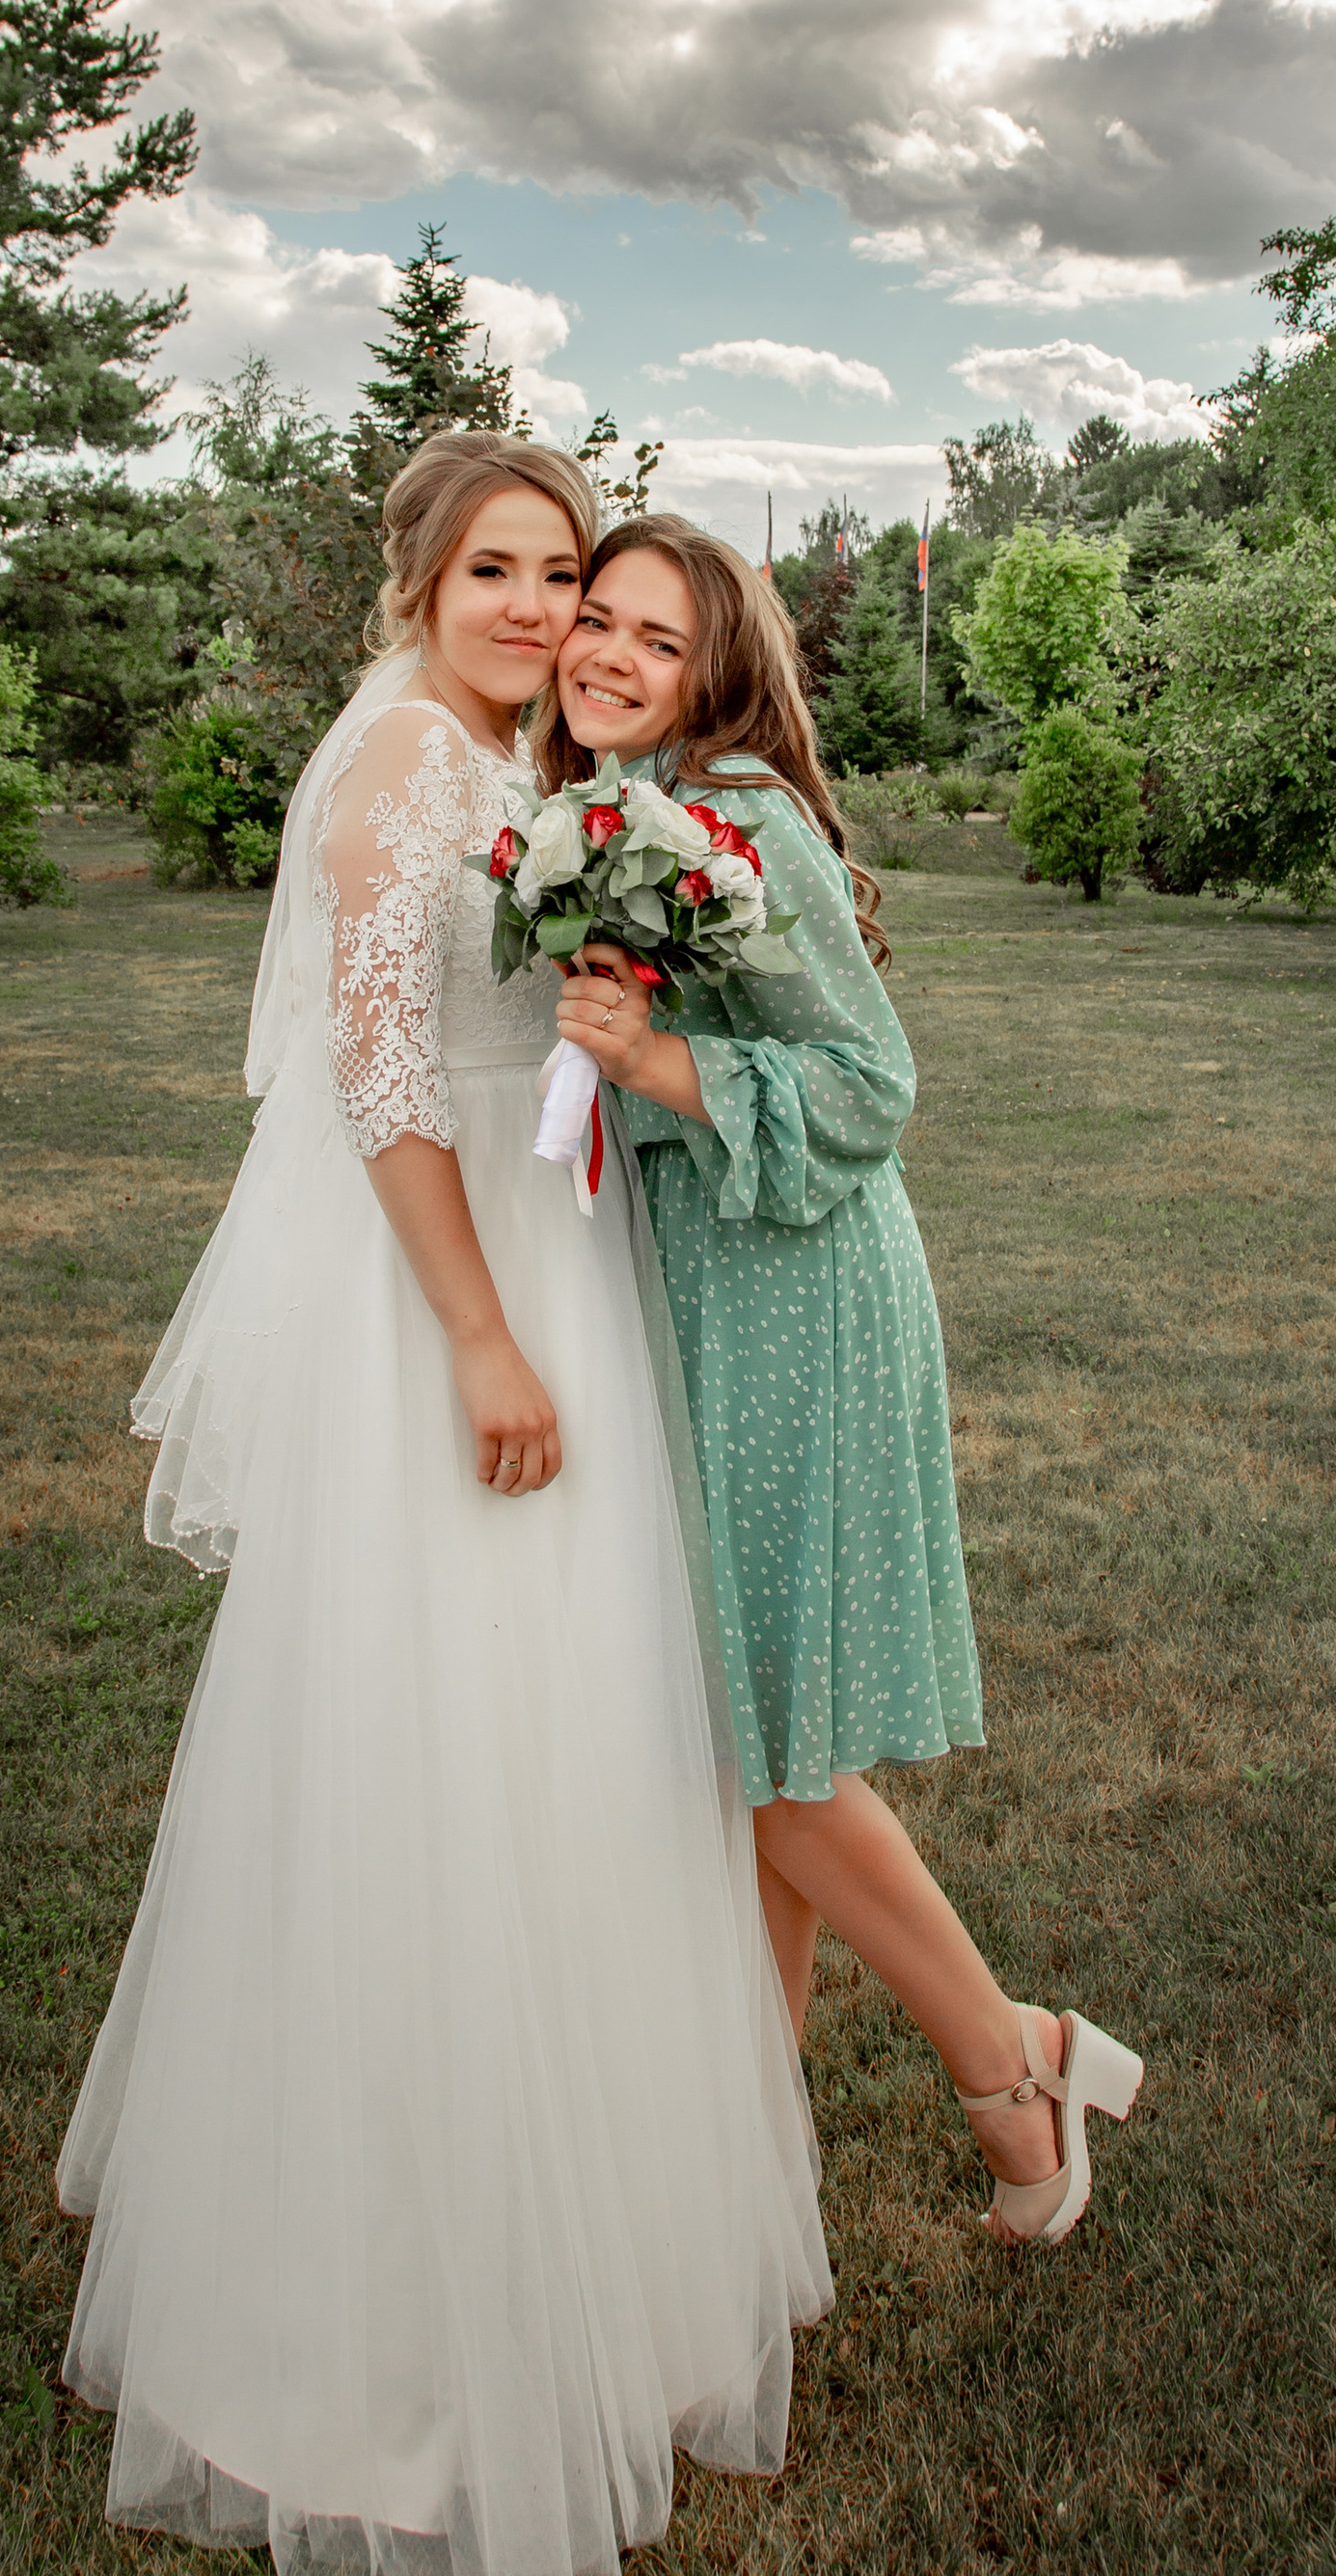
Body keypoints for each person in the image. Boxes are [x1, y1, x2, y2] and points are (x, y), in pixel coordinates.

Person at [57, 435, 827, 2571]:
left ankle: (591, 2256)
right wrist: (481, 1336)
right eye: (496, 569)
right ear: (415, 583)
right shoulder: (403, 765)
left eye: (560, 573)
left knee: (576, 1742)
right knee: (438, 1744)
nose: (535, 609)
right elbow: (381, 1080)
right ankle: (390, 2322)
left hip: (554, 1249)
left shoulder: (524, 770)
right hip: (452, 1292)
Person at [540, 511, 1143, 2248]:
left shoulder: (738, 815)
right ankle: (749, 2149)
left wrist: (658, 1060)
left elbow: (875, 1087)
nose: (611, 655)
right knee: (758, 1732)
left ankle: (1013, 2060)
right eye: (599, 618)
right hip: (708, 1282)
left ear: (715, 672)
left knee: (765, 1746)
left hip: (795, 1291)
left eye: (659, 639)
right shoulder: (621, 812)